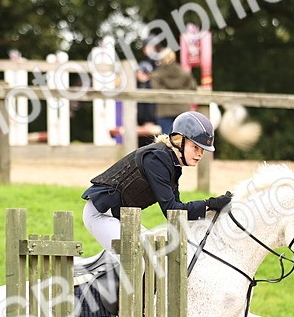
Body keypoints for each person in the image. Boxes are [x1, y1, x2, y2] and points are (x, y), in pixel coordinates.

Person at [81, 110, 231, 255]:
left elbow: (177, 213)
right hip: (101, 214)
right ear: (179, 141)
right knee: (139, 259)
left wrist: (212, 207)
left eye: (203, 150)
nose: (200, 154)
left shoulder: (172, 164)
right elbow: (171, 210)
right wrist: (210, 203)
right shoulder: (157, 159)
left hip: (121, 217)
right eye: (195, 147)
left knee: (153, 256)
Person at [150, 49, 197, 138]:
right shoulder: (184, 73)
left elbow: (155, 89)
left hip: (164, 110)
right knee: (182, 140)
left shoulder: (157, 74)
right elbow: (193, 87)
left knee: (166, 140)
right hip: (181, 109)